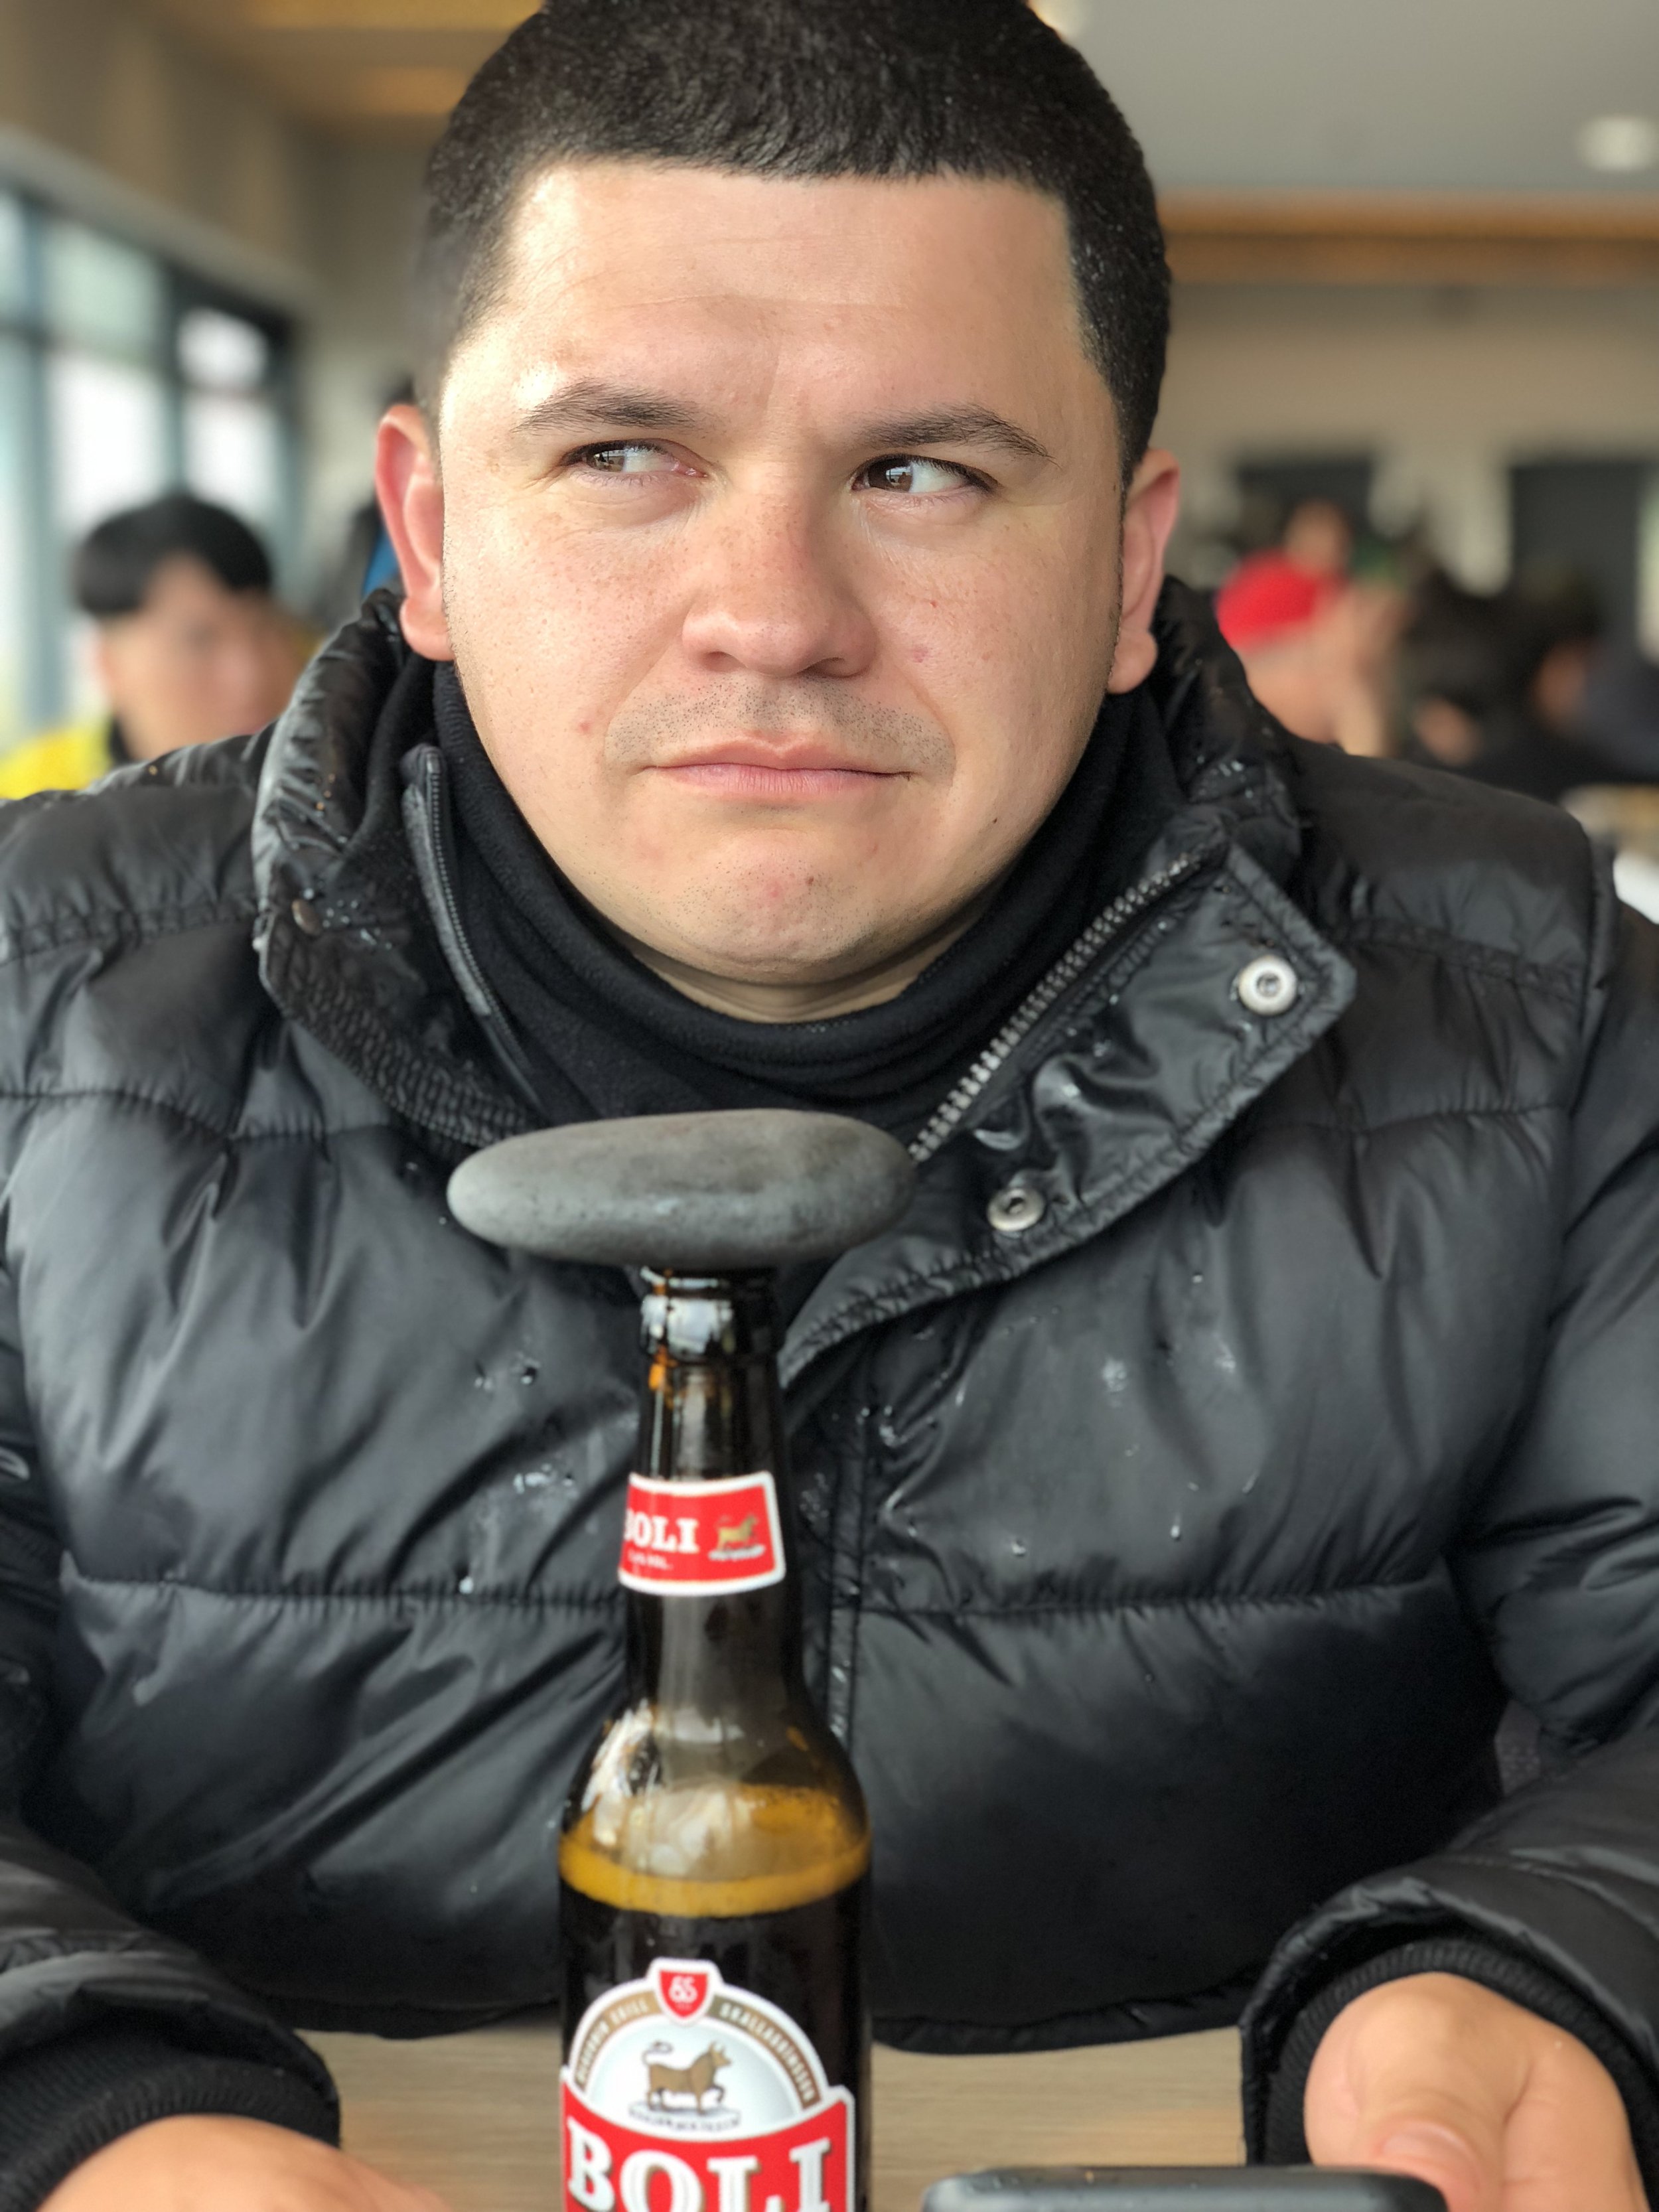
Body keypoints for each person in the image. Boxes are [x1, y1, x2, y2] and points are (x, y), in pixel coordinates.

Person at [1, 5, 1658, 2210]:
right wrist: (91, 2117)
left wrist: (1541, 1972)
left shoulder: (1535, 1007)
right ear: (424, 524)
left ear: (1127, 570)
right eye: (621, 459)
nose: (776, 617)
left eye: (924, 473)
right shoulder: (39, 1001)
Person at [0, 494, 304, 798]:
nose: (250, 676)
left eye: (265, 627)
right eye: (200, 641)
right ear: (109, 664)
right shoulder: (28, 805)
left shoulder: (335, 768)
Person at [1214, 500, 1400, 756]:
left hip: (1335, 674)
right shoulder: (1262, 578)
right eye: (1318, 534)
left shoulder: (1342, 586)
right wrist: (1313, 645)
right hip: (1267, 671)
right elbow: (1234, 649)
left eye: (1337, 538)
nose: (1327, 544)